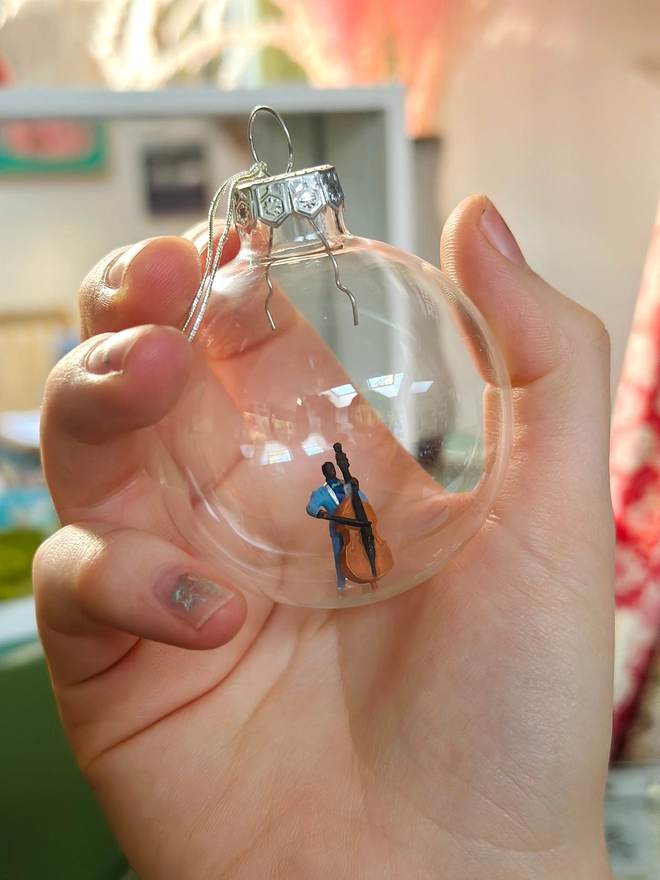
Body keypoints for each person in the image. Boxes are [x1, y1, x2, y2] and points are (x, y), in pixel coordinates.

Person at [33, 195, 615, 879]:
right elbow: (320, 502)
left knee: (359, 547)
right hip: (340, 539)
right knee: (351, 549)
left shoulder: (354, 489)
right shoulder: (322, 495)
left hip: (357, 537)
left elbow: (337, 497)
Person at [305, 461, 366, 589]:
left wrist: (357, 489)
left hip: (356, 524)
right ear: (324, 472)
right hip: (338, 526)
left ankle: (364, 574)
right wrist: (320, 513)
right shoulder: (321, 492)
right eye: (328, 469)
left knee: (362, 550)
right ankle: (342, 582)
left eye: (332, 467)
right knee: (340, 555)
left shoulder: (346, 484)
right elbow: (310, 507)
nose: (331, 470)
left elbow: (365, 501)